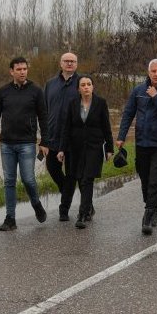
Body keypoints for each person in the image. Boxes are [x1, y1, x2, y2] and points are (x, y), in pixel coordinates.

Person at [0, 57, 49, 231]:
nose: (22, 72)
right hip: (7, 144)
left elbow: (43, 117)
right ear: (11, 71)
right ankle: (10, 219)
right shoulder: (3, 92)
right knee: (9, 181)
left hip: (27, 143)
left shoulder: (36, 91)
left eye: (24, 69)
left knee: (28, 179)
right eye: (18, 69)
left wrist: (44, 141)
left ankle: (36, 204)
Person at [117, 58, 157, 235]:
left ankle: (147, 216)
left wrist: (155, 96)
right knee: (145, 180)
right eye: (153, 71)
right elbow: (128, 113)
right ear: (148, 72)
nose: (156, 74)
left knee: (155, 180)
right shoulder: (138, 90)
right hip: (141, 142)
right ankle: (153, 209)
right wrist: (121, 136)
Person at [57, 76, 114, 229]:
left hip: (94, 147)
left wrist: (110, 148)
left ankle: (82, 214)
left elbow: (106, 126)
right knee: (79, 177)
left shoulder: (100, 103)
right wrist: (62, 149)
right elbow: (66, 127)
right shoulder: (73, 103)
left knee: (87, 179)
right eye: (83, 85)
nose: (86, 87)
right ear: (78, 89)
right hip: (75, 148)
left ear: (93, 87)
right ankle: (88, 209)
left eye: (89, 84)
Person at [44, 52, 80, 220]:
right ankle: (73, 195)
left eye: (72, 61)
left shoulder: (82, 83)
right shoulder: (50, 84)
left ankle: (64, 209)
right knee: (52, 168)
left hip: (73, 137)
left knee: (71, 173)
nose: (69, 63)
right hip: (53, 135)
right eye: (66, 61)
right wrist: (43, 137)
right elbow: (44, 110)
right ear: (60, 63)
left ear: (76, 64)